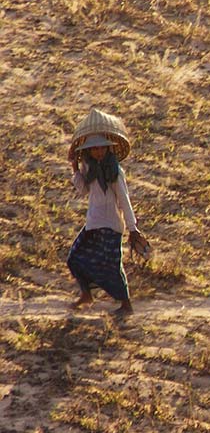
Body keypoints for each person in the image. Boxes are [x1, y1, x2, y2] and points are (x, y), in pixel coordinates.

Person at [66, 109, 141, 316]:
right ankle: (86, 294)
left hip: (111, 225)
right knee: (75, 258)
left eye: (101, 147)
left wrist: (133, 229)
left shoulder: (115, 172)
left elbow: (124, 201)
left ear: (108, 148)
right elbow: (83, 189)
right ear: (88, 151)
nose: (98, 151)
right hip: (93, 223)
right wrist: (75, 168)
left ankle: (126, 304)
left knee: (112, 265)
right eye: (94, 148)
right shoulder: (89, 169)